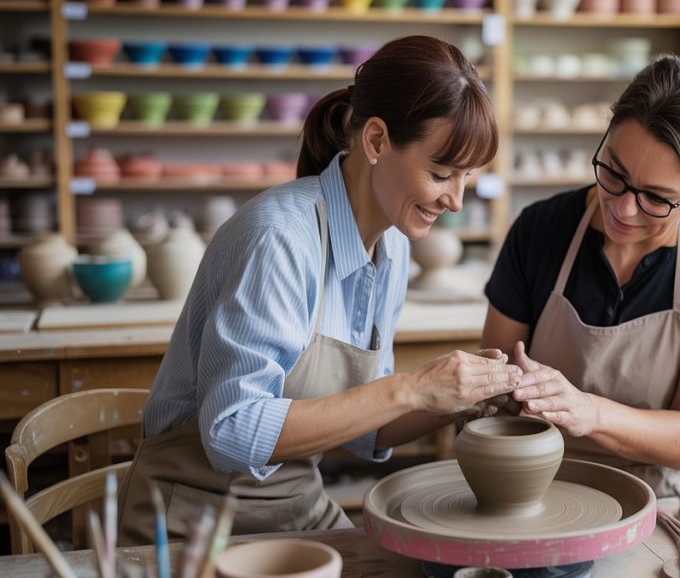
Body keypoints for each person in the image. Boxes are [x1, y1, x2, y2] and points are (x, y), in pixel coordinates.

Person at [119, 35, 522, 545]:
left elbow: (362, 425)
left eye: (466, 178)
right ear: (375, 141)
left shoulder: (392, 246)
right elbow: (232, 432)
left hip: (296, 503)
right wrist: (410, 387)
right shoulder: (279, 238)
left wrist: (461, 399)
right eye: (441, 173)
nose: (457, 201)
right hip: (192, 515)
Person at [481, 54, 680, 497]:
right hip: (549, 484)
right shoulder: (540, 230)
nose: (622, 208)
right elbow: (493, 383)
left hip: (675, 500)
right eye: (614, 172)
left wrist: (589, 412)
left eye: (656, 197)